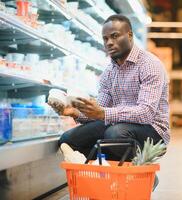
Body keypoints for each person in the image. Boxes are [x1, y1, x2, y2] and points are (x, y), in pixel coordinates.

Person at [48, 14, 170, 164]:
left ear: (130, 35)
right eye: (105, 39)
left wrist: (103, 113)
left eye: (115, 36)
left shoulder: (149, 65)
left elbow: (146, 113)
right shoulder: (109, 73)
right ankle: (108, 166)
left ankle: (143, 168)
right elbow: (100, 110)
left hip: (152, 131)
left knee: (114, 134)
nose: (109, 43)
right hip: (119, 126)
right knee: (68, 139)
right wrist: (75, 112)